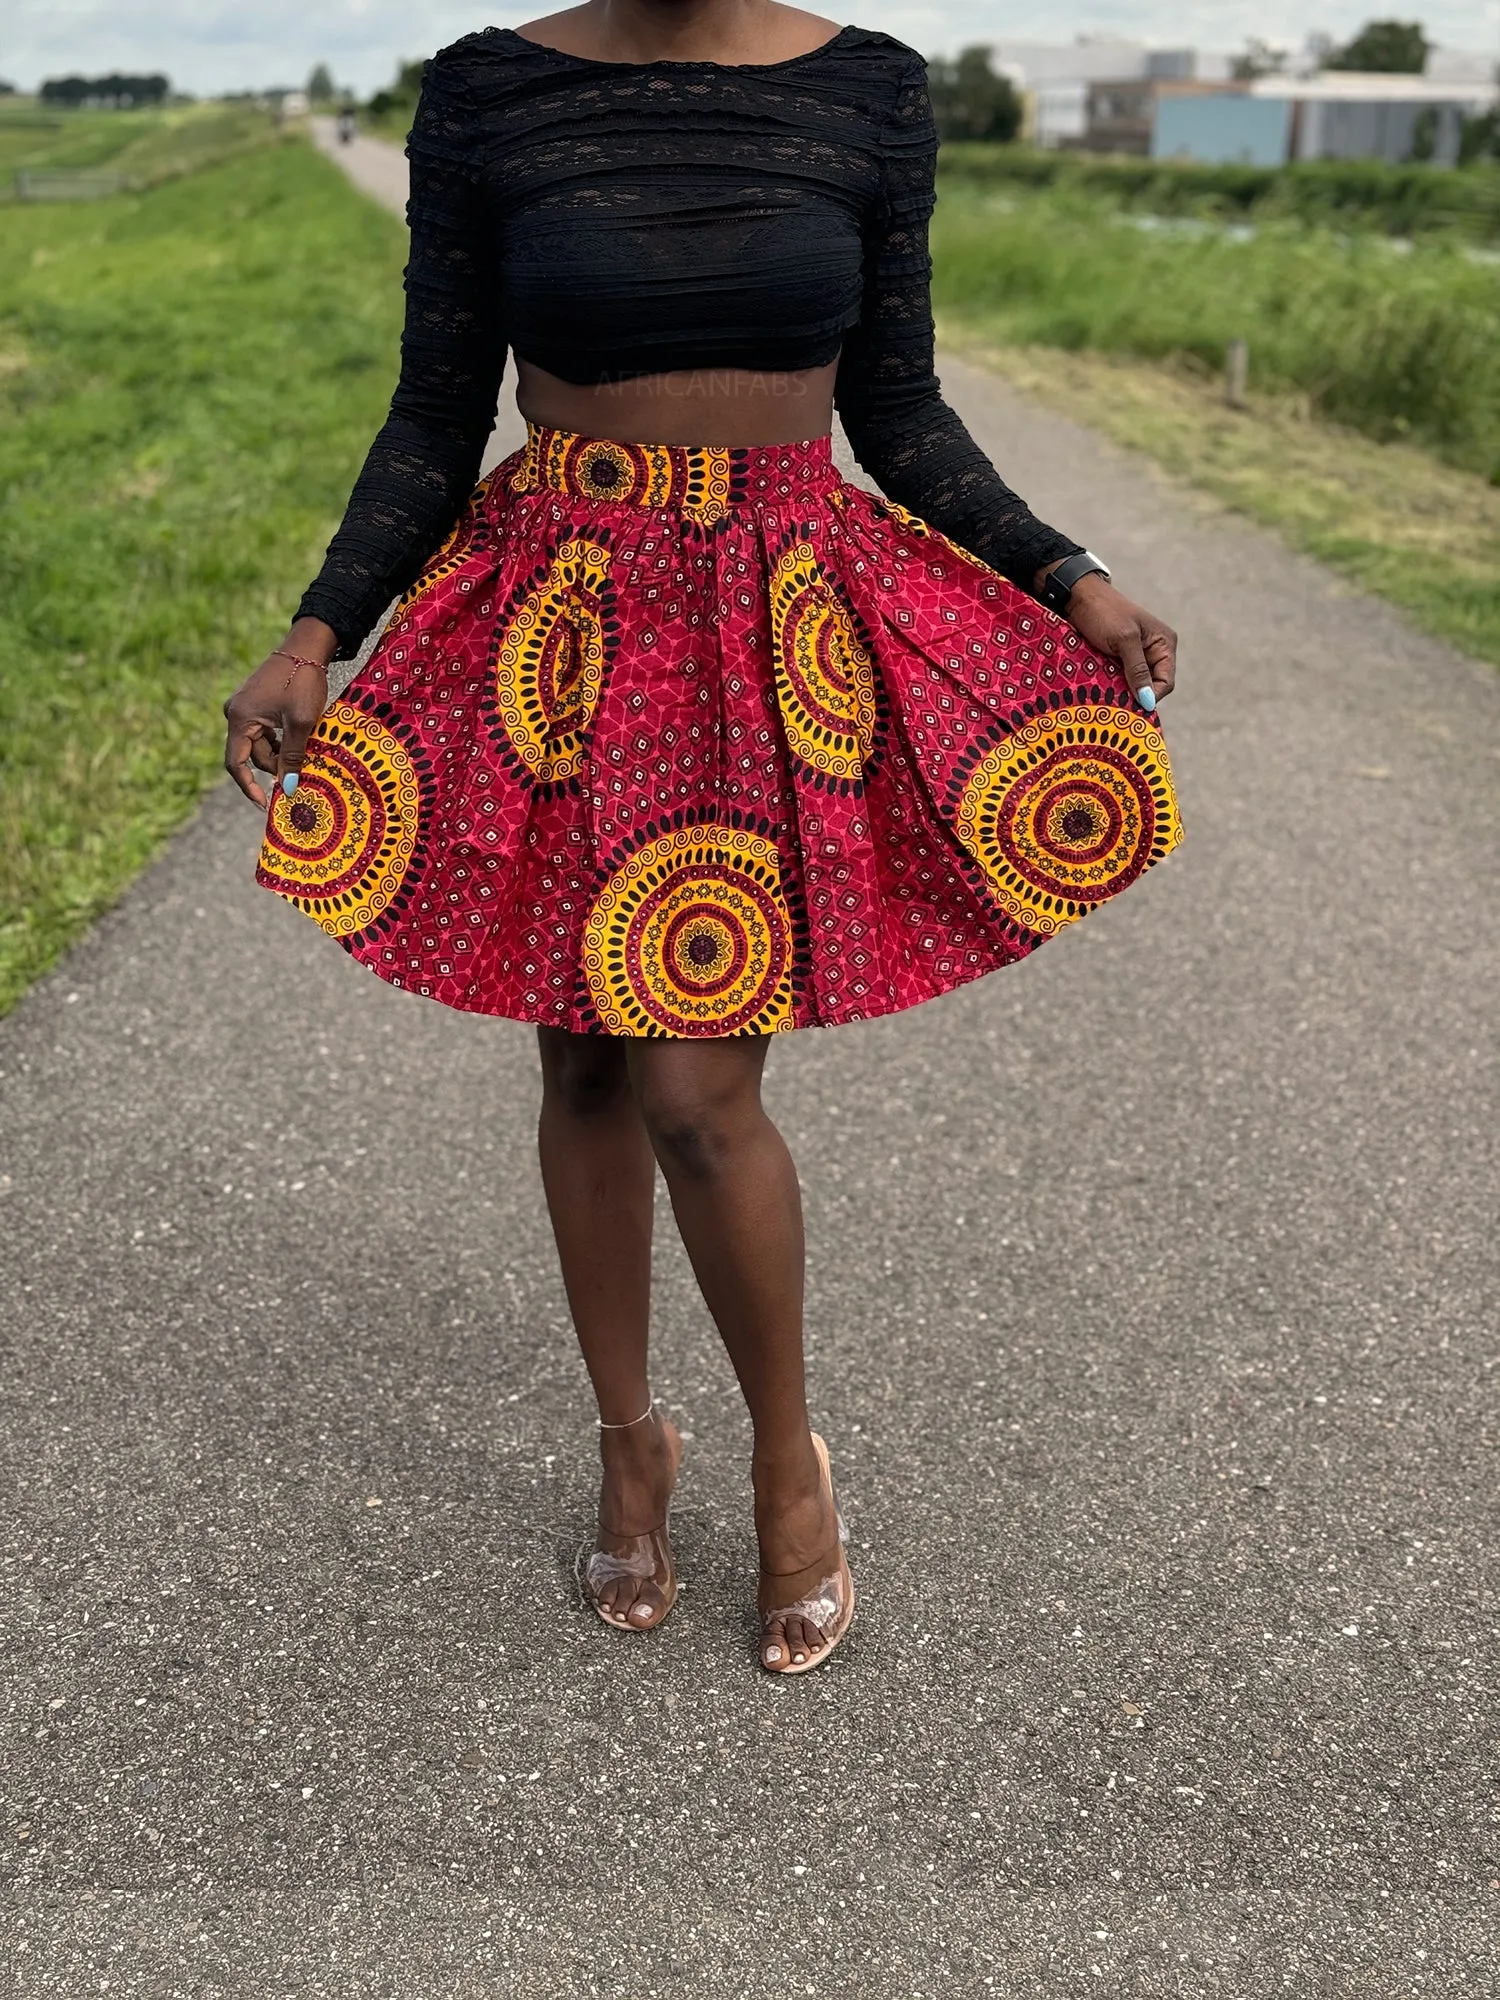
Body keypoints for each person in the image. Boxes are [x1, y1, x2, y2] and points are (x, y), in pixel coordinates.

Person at [223, 0, 1181, 1677]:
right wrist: (319, 633)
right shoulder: (490, 90)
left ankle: (783, 1456)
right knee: (586, 1069)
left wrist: (1067, 572)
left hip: (768, 622)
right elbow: (439, 412)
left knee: (693, 1086)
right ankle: (627, 1438)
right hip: (563, 627)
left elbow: (899, 405)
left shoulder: (870, 88)